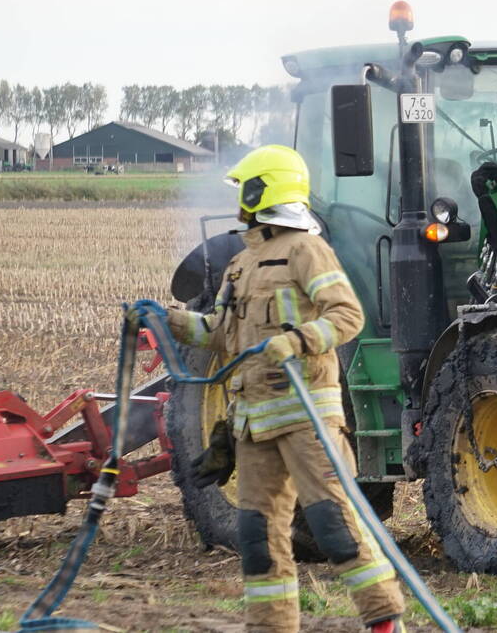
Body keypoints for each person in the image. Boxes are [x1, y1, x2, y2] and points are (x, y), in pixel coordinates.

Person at [167, 145, 405, 633]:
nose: (239, 200)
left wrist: (296, 341)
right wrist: (167, 321)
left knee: (334, 525)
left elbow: (347, 316)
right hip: (254, 426)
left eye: (244, 190)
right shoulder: (241, 265)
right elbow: (220, 333)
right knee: (257, 537)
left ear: (264, 191)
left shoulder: (306, 250)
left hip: (306, 421)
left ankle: (383, 621)